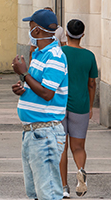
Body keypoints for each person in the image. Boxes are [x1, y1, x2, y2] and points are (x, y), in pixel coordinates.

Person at [11, 9, 68, 200]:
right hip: (33, 132)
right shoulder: (39, 55)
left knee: (48, 193)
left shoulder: (55, 56)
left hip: (45, 133)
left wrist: (24, 73)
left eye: (30, 27)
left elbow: (47, 93)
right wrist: (23, 86)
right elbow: (38, 87)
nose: (29, 32)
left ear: (36, 31)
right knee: (35, 192)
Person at [59, 19, 97, 198]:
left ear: (66, 33)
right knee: (79, 147)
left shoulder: (60, 52)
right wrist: (90, 106)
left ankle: (64, 187)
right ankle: (81, 170)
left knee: (61, 147)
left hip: (59, 105)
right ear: (82, 35)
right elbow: (92, 83)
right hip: (80, 106)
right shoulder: (89, 56)